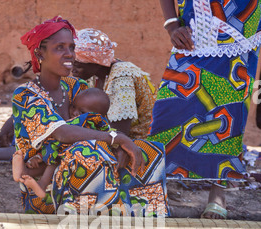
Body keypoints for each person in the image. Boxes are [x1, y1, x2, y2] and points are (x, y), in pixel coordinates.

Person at [12, 16, 169, 217]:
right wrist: (118, 138)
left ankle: (141, 220)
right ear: (39, 53)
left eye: (71, 47)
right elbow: (61, 133)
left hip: (81, 163)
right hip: (43, 183)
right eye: (60, 48)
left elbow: (98, 123)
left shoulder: (77, 86)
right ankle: (93, 224)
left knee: (147, 151)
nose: (69, 54)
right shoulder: (26, 94)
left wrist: (118, 145)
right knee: (90, 152)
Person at [147, 0, 261, 219]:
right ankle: (154, 188)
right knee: (169, 106)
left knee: (230, 111)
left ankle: (218, 195)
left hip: (242, 28)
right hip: (195, 26)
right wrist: (171, 24)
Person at [12, 88, 112, 199]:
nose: (74, 113)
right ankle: (26, 173)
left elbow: (59, 141)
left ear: (97, 114)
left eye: (82, 112)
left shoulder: (88, 122)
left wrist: (41, 156)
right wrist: (39, 156)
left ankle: (42, 183)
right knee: (53, 158)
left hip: (75, 159)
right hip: (62, 154)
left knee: (55, 159)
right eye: (73, 106)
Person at [72, 28, 157, 140]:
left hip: (143, 141)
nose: (72, 70)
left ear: (97, 62)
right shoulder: (94, 76)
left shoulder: (121, 77)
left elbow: (119, 134)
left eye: (78, 66)